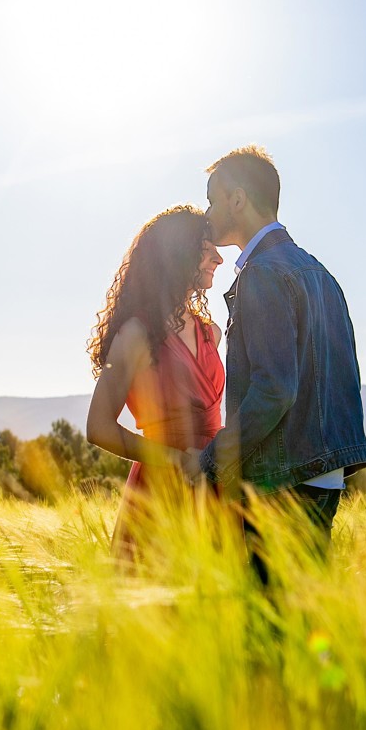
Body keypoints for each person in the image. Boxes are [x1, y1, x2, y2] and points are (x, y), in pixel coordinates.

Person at [184, 146, 366, 578]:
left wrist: (210, 461)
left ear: (237, 199)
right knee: (297, 622)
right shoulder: (320, 273)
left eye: (213, 199)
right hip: (323, 476)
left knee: (267, 627)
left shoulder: (262, 273)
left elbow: (275, 388)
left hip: (281, 484)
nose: (208, 211)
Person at [84, 206, 226, 559]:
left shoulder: (213, 334)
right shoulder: (136, 333)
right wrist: (176, 461)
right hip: (159, 494)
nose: (219, 258)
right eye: (207, 247)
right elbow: (98, 427)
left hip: (216, 489)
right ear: (179, 253)